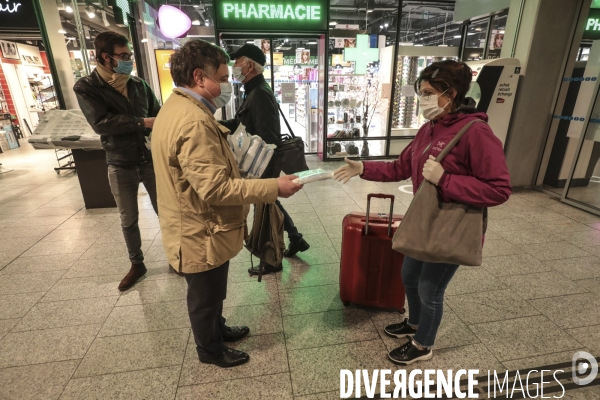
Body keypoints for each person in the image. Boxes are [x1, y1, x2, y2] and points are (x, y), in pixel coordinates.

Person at [334, 60, 511, 365]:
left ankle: (422, 344)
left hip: (451, 226)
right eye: (420, 92)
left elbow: (499, 188)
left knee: (430, 288)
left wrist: (446, 179)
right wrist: (363, 167)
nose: (421, 98)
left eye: (428, 92)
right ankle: (414, 323)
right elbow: (401, 167)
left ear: (451, 92)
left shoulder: (476, 132)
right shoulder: (429, 128)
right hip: (425, 220)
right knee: (409, 275)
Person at [151, 39, 303, 368]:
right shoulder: (193, 122)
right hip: (198, 228)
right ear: (198, 77)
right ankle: (211, 350)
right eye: (221, 77)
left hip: (197, 222)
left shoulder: (178, 108)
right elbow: (216, 189)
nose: (226, 84)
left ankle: (217, 331)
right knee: (205, 296)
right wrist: (273, 187)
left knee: (213, 289)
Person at [74, 32, 162, 291]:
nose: (129, 61)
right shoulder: (87, 87)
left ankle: (177, 255)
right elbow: (101, 123)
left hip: (149, 159)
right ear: (106, 57)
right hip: (119, 161)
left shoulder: (139, 85)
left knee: (165, 212)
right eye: (123, 56)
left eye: (129, 55)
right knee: (129, 219)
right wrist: (141, 122)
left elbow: (157, 114)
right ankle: (137, 264)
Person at [221, 44, 311, 275]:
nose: (234, 67)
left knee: (266, 209)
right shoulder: (253, 90)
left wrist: (262, 174)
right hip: (262, 162)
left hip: (263, 162)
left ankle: (273, 259)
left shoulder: (259, 92)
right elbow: (243, 125)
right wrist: (216, 125)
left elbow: (266, 136)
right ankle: (295, 238)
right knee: (270, 203)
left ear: (250, 65)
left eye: (238, 62)